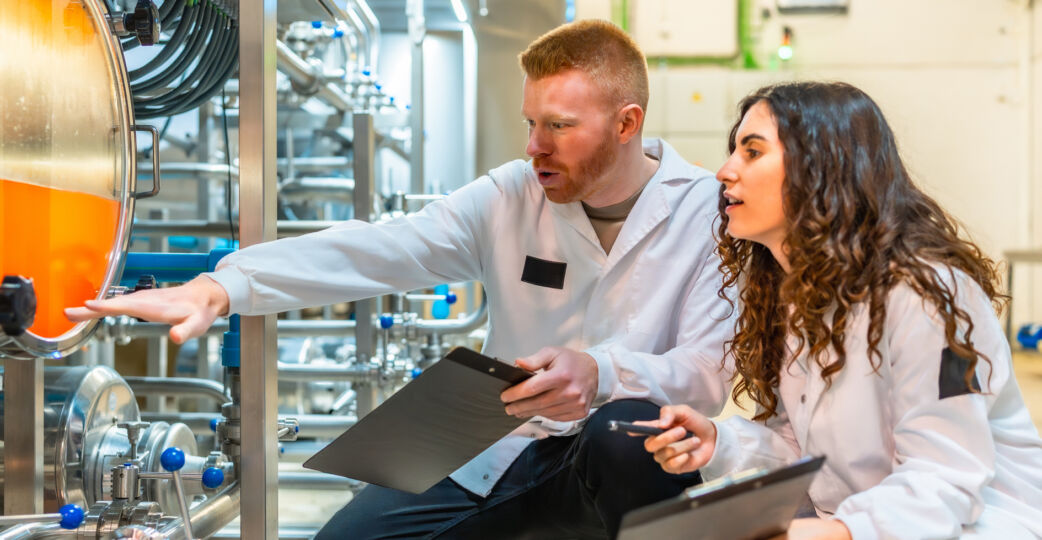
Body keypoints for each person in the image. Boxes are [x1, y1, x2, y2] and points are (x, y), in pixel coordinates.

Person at [68, 19, 734, 539]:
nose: (535, 146)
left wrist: (602, 374)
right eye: (530, 124)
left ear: (627, 124)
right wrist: (226, 285)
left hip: (620, 464)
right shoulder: (510, 195)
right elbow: (381, 249)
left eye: (559, 127)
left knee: (625, 431)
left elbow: (706, 371)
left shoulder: (704, 211)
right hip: (498, 444)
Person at [638, 81, 1042, 539]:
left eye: (752, 152)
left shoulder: (929, 295)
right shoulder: (795, 295)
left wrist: (835, 532)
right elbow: (803, 446)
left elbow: (945, 476)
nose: (724, 172)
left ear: (822, 168)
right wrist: (717, 442)